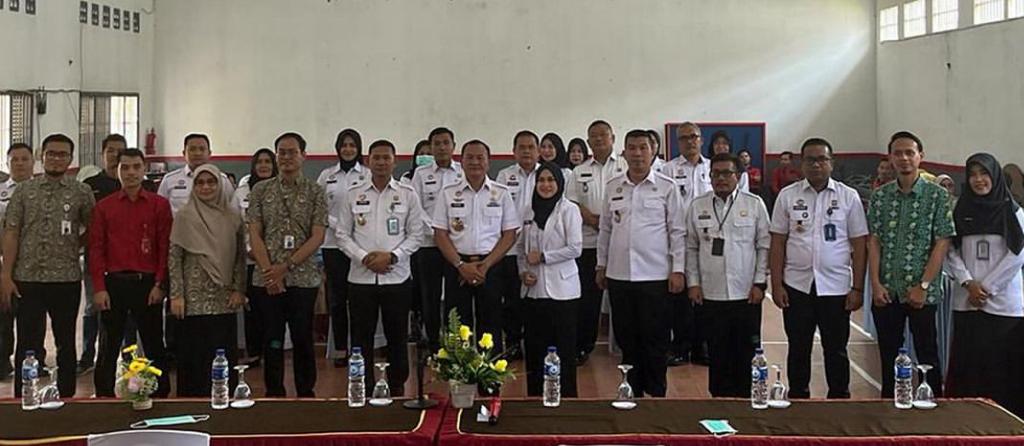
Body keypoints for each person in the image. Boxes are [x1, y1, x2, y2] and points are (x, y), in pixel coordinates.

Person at [769, 138, 868, 399]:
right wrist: (776, 285)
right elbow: (778, 242)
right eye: (810, 160)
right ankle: (798, 398)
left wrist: (858, 288)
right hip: (797, 286)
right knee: (798, 347)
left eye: (822, 159)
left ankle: (839, 399)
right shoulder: (787, 196)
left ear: (831, 163)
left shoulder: (848, 197)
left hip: (836, 287)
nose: (816, 165)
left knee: (836, 348)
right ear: (802, 164)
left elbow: (860, 244)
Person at [2, 134, 95, 398]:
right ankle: (23, 398)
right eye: (51, 153)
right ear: (41, 156)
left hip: (65, 278)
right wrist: (6, 275)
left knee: (66, 341)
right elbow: (11, 232)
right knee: (27, 341)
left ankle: (66, 397)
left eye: (62, 154)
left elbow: (93, 229)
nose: (56, 158)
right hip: (27, 278)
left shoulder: (81, 191)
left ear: (70, 158)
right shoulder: (24, 191)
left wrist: (74, 245)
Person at [595, 129, 685, 398]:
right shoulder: (613, 187)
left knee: (655, 340)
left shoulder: (667, 187)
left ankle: (656, 395)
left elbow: (677, 231)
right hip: (620, 275)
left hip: (655, 276)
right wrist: (601, 265)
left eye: (642, 148)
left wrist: (678, 269)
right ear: (624, 152)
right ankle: (631, 393)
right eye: (632, 148)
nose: (637, 153)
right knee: (627, 339)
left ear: (652, 151)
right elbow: (605, 229)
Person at [867, 131, 953, 398]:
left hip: (922, 293)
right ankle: (890, 406)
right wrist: (876, 283)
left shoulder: (937, 196)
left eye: (909, 153)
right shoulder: (880, 196)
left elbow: (942, 242)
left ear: (920, 156)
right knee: (888, 354)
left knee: (927, 353)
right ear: (890, 158)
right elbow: (874, 240)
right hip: (887, 291)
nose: (904, 158)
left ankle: (932, 406)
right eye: (898, 153)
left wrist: (923, 285)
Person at [337, 139, 425, 397]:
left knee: (397, 336)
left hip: (397, 278)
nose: (381, 162)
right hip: (360, 279)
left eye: (386, 158)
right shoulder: (353, 194)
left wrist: (393, 257)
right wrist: (364, 258)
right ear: (368, 161)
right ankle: (362, 387)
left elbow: (416, 235)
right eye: (376, 157)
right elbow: (342, 234)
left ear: (394, 162)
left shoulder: (408, 194)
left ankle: (397, 387)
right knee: (360, 337)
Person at [248, 132, 327, 397]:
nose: (286, 157)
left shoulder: (315, 191)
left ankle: (306, 391)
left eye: (292, 152)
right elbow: (254, 233)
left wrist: (286, 266)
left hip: (303, 278)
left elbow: (318, 236)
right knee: (272, 337)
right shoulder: (260, 190)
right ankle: (274, 392)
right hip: (267, 278)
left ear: (303, 156)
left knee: (302, 335)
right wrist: (270, 272)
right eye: (281, 152)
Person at [945, 153, 1024, 417]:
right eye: (973, 174)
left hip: (1003, 306)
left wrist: (986, 288)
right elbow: (951, 250)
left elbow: (1017, 255)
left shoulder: (1014, 213)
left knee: (1002, 366)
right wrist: (968, 283)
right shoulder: (961, 210)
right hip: (967, 303)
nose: (979, 180)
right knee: (970, 365)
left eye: (984, 173)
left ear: (996, 176)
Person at [89, 148, 172, 398]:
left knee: (154, 341)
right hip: (113, 284)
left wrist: (160, 283)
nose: (131, 172)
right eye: (125, 167)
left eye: (136, 167)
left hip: (147, 284)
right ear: (117, 170)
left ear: (144, 169)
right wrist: (99, 288)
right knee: (108, 344)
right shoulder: (104, 207)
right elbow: (96, 249)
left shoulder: (159, 205)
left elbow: (164, 247)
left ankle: (160, 393)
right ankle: (103, 395)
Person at [686, 153, 770, 398]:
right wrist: (693, 283)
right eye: (716, 174)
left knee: (747, 351)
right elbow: (691, 247)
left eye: (727, 173)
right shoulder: (697, 205)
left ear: (738, 176)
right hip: (711, 293)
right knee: (717, 352)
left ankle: (746, 400)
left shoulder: (754, 204)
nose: (721, 178)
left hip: (746, 293)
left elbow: (763, 246)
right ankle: (719, 400)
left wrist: (760, 283)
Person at [432, 140, 519, 354]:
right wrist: (461, 265)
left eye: (480, 158)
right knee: (457, 326)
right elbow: (440, 234)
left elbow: (509, 234)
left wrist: (485, 265)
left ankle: (491, 372)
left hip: (491, 266)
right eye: (469, 157)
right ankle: (458, 373)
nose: (475, 162)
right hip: (457, 266)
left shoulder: (501, 193)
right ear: (461, 161)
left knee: (491, 324)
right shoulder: (447, 193)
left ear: (489, 162)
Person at [169, 163, 246, 396]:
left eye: (211, 182)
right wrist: (177, 295)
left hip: (224, 296)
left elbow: (240, 257)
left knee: (222, 352)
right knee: (193, 354)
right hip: (193, 298)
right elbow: (174, 258)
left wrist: (238, 289)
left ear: (220, 185)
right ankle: (192, 402)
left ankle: (223, 400)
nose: (206, 187)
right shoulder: (184, 216)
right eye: (200, 183)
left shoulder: (232, 217)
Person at [157, 133, 234, 360]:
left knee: (217, 332)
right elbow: (161, 217)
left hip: (217, 263)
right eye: (193, 149)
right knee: (182, 322)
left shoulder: (223, 181)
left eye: (202, 149)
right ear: (184, 153)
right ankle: (174, 353)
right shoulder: (170, 181)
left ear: (210, 153)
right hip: (182, 257)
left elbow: (232, 219)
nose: (197, 153)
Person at [565, 120, 626, 365]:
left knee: (622, 298)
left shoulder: (625, 166)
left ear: (613, 138)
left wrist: (608, 221)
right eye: (594, 136)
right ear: (588, 141)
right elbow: (570, 202)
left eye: (603, 135)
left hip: (620, 243)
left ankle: (625, 347)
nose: (599, 139)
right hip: (588, 242)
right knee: (588, 300)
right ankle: (583, 346)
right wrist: (590, 219)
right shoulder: (579, 171)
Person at [518, 162, 582, 397]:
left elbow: (575, 248)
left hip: (563, 292)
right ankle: (536, 397)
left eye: (551, 180)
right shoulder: (528, 211)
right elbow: (521, 249)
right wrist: (522, 272)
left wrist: (544, 257)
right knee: (535, 348)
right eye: (541, 180)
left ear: (560, 183)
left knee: (563, 349)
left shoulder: (569, 210)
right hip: (534, 290)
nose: (545, 185)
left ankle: (567, 399)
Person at [662, 122, 713, 367]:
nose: (690, 141)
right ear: (677, 142)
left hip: (708, 240)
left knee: (705, 294)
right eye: (684, 138)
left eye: (694, 136)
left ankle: (702, 347)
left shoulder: (713, 168)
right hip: (679, 239)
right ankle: (680, 347)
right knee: (680, 297)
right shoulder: (667, 169)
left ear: (701, 139)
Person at [80, 134, 132, 375]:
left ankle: (129, 356)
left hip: (126, 260)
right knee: (93, 306)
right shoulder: (89, 185)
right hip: (97, 257)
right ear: (102, 154)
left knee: (126, 309)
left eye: (120, 151)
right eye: (111, 150)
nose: (115, 155)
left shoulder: (132, 183)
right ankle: (87, 355)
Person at [317, 129, 367, 367]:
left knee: (358, 299)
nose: (348, 149)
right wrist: (338, 226)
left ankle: (358, 347)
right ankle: (340, 349)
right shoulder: (327, 175)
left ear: (358, 148)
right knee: (337, 299)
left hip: (360, 246)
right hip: (332, 244)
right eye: (344, 145)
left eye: (352, 145)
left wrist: (349, 228)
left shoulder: (367, 174)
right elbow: (318, 207)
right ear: (338, 148)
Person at [411, 127, 463, 351]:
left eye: (445, 143)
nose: (442, 147)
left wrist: (451, 234)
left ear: (453, 146)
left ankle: (454, 346)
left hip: (455, 245)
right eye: (437, 144)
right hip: (428, 244)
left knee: (454, 296)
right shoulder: (420, 174)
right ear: (430, 148)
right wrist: (436, 230)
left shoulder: (462, 172)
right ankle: (433, 344)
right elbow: (415, 207)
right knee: (429, 296)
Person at [495, 131, 540, 358]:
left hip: (537, 249)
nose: (526, 151)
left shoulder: (546, 174)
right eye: (521, 147)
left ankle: (533, 342)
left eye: (531, 147)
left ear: (538, 150)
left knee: (533, 299)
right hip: (510, 248)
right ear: (514, 151)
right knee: (511, 300)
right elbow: (498, 211)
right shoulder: (504, 176)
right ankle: (513, 343)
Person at [231, 148, 277, 365]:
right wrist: (250, 249)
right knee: (253, 308)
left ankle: (273, 351)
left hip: (275, 262)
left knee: (273, 309)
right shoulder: (241, 192)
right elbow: (235, 226)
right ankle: (254, 352)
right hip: (249, 259)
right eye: (259, 162)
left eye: (268, 161)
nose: (264, 165)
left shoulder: (281, 189)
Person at [0, 143, 36, 380]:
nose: (20, 163)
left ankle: (34, 360)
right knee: (4, 314)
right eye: (15, 159)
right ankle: (3, 361)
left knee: (32, 317)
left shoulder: (42, 192)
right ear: (7, 163)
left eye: (25, 159)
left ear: (33, 162)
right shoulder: (1, 192)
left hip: (33, 264)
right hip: (4, 263)